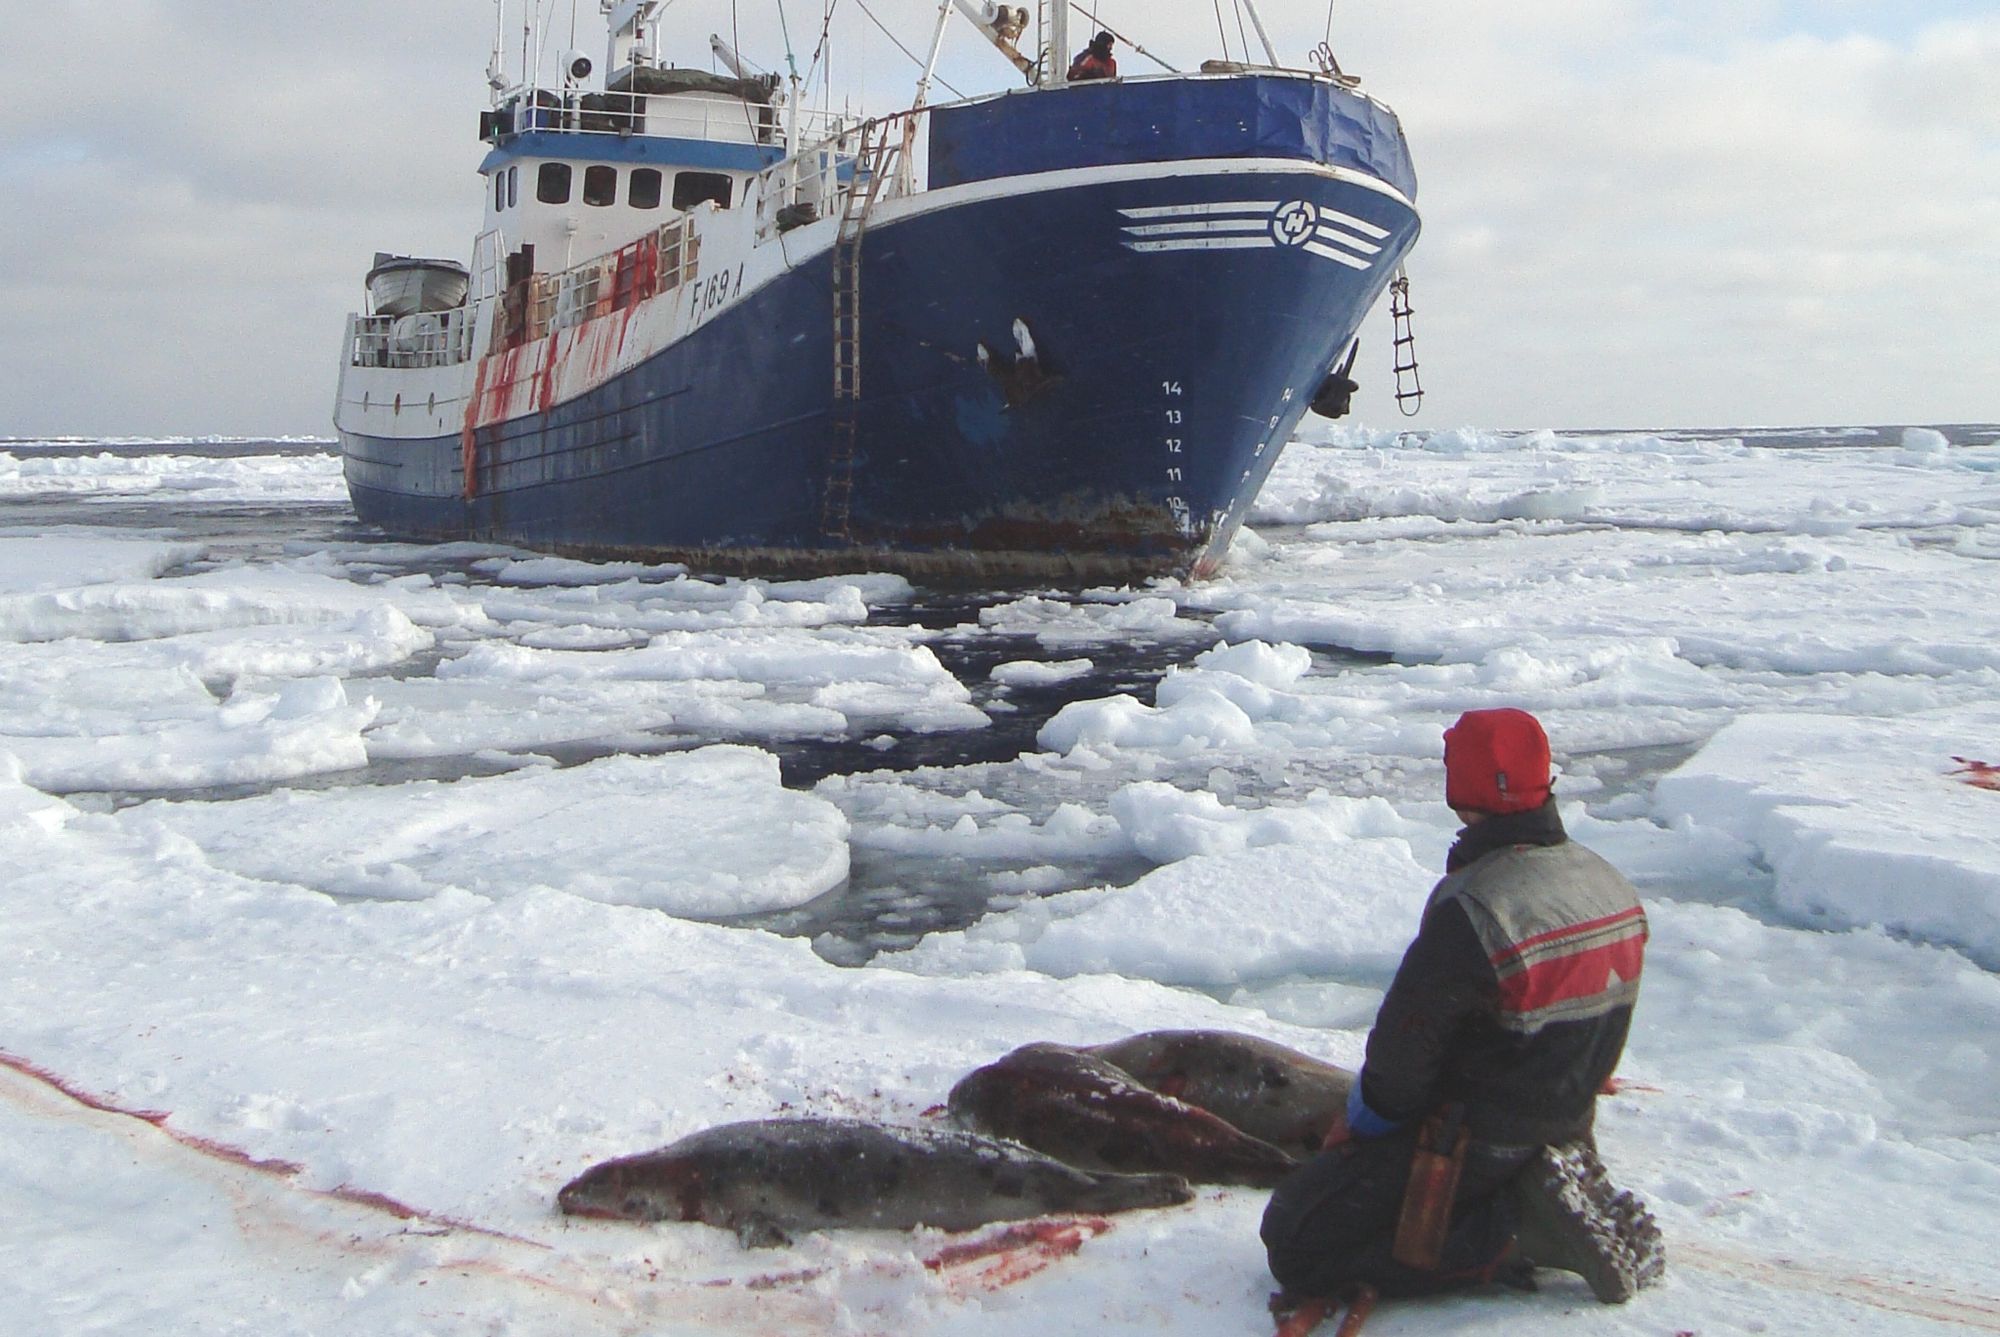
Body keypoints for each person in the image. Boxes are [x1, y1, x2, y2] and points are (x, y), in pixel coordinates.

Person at [1261, 708, 1664, 1305]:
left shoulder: (1477, 908)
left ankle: (1514, 1233)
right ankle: (1539, 1181)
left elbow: (1403, 1058)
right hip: (1566, 1118)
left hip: (1476, 1140)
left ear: (1463, 786)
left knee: (1296, 1236)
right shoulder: (1608, 883)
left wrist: (1362, 1129)